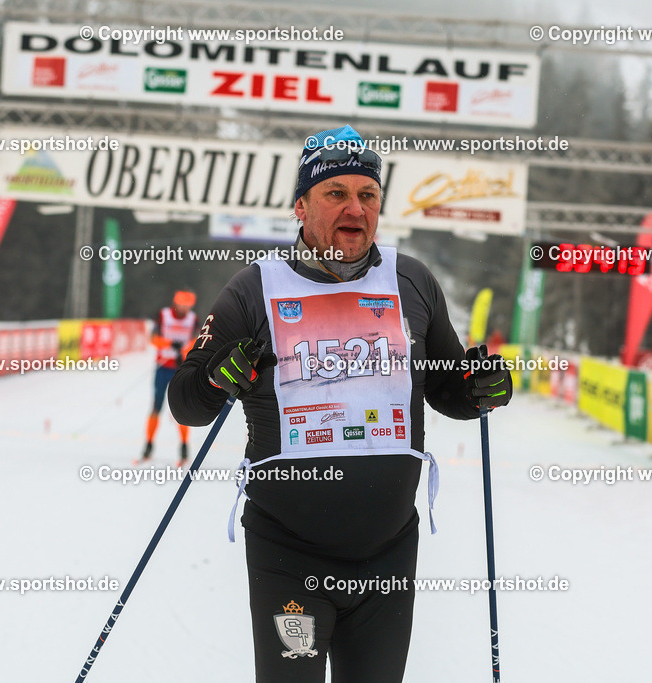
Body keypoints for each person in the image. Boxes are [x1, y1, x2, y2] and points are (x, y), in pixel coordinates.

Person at [168, 125, 511, 682]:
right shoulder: (255, 289)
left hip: (388, 554)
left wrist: (481, 391)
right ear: (300, 207)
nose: (355, 208)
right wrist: (215, 378)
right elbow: (186, 403)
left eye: (367, 195)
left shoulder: (412, 281)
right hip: (289, 557)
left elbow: (451, 386)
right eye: (336, 194)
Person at [141, 289, 197, 466]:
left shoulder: (193, 319)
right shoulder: (164, 315)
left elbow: (197, 341)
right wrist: (169, 343)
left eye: (187, 306)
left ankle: (184, 446)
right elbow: (153, 338)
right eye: (182, 305)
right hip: (163, 367)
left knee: (181, 409)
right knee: (156, 406)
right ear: (176, 303)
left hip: (181, 369)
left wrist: (185, 350)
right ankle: (148, 444)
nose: (184, 309)